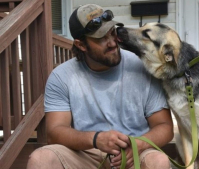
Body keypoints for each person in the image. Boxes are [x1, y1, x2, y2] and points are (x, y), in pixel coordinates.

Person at [26, 4, 174, 169]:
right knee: (41, 159)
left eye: (112, 33)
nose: (112, 43)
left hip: (134, 152)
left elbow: (165, 127)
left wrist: (138, 145)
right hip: (85, 152)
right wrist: (95, 139)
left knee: (158, 161)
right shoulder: (61, 77)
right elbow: (54, 133)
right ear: (81, 45)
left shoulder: (142, 67)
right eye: (101, 38)